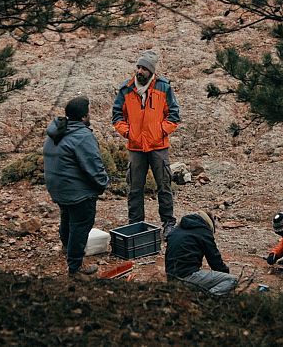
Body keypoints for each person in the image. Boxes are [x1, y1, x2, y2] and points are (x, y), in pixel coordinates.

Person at [112, 50, 181, 239]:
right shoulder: (126, 89)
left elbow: (174, 115)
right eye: (138, 67)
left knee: (164, 186)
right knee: (135, 189)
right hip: (135, 148)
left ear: (151, 71)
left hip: (158, 147)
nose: (139, 71)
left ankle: (168, 223)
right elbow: (117, 115)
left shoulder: (163, 87)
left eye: (144, 68)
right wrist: (128, 133)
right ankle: (136, 226)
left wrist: (159, 132)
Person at [43, 96, 109, 278]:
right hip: (77, 192)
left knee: (67, 215)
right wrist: (103, 183)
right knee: (81, 224)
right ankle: (75, 267)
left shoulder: (56, 131)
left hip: (57, 188)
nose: (90, 114)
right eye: (88, 111)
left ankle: (66, 246)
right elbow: (93, 166)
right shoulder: (82, 136)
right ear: (83, 117)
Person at [165, 210, 238, 296]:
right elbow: (215, 261)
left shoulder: (177, 229)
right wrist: (224, 274)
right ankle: (207, 298)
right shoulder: (203, 231)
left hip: (171, 279)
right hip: (187, 277)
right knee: (232, 280)